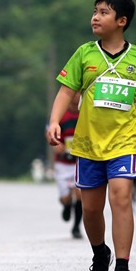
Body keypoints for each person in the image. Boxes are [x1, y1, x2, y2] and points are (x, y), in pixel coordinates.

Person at [46, 0, 136, 271]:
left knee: (122, 198)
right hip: (87, 145)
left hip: (123, 143)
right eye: (95, 11)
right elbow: (65, 91)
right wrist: (54, 122)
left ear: (122, 21)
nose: (95, 17)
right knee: (90, 209)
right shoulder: (84, 54)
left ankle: (123, 267)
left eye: (103, 12)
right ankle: (100, 253)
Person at [50, 92, 83, 239]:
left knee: (80, 194)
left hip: (80, 161)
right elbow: (49, 131)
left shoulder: (85, 112)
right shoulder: (60, 113)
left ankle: (76, 227)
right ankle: (66, 205)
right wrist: (55, 145)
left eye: (79, 94)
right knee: (66, 197)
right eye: (73, 93)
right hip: (63, 163)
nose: (76, 97)